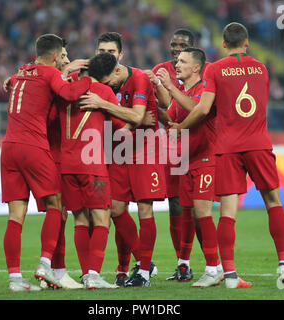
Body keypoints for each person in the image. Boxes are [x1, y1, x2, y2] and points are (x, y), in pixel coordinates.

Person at [170, 22, 284, 289]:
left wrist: (180, 127)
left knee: (227, 213)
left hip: (227, 146)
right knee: (273, 201)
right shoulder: (262, 67)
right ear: (246, 43)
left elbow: (204, 108)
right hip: (258, 142)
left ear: (223, 44)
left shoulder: (215, 69)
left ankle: (229, 274)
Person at [1, 34, 92, 292]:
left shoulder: (21, 72)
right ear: (55, 57)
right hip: (33, 147)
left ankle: (15, 279)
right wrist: (89, 78)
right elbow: (71, 93)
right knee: (57, 204)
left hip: (8, 148)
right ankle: (44, 265)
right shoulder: (49, 74)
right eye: (61, 56)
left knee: (15, 216)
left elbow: (17, 82)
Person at [79, 32, 164, 287]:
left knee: (145, 209)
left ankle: (145, 273)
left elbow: (138, 117)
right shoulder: (96, 77)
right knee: (115, 209)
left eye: (110, 52)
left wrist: (104, 105)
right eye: (101, 51)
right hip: (116, 151)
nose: (105, 55)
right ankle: (144, 261)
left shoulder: (138, 78)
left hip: (145, 150)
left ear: (120, 57)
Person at [145, 29, 209, 280]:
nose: (176, 49)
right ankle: (183, 263)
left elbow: (201, 108)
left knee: (198, 208)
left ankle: (215, 263)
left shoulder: (204, 71)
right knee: (175, 202)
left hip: (198, 144)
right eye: (173, 44)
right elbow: (160, 108)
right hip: (171, 144)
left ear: (192, 50)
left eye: (182, 46)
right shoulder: (160, 69)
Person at [59, 53, 126, 289]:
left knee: (79, 219)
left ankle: (87, 274)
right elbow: (123, 129)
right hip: (92, 166)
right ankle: (93, 275)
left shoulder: (65, 88)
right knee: (101, 219)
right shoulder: (105, 92)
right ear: (107, 75)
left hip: (66, 166)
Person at [158, 47, 223, 286]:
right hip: (186, 161)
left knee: (202, 213)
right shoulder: (183, 91)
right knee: (190, 215)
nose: (176, 64)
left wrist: (170, 88)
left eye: (183, 61)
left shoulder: (205, 87)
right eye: (177, 61)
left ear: (196, 67)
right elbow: (172, 120)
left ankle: (214, 268)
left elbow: (196, 111)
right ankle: (195, 264)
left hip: (206, 159)